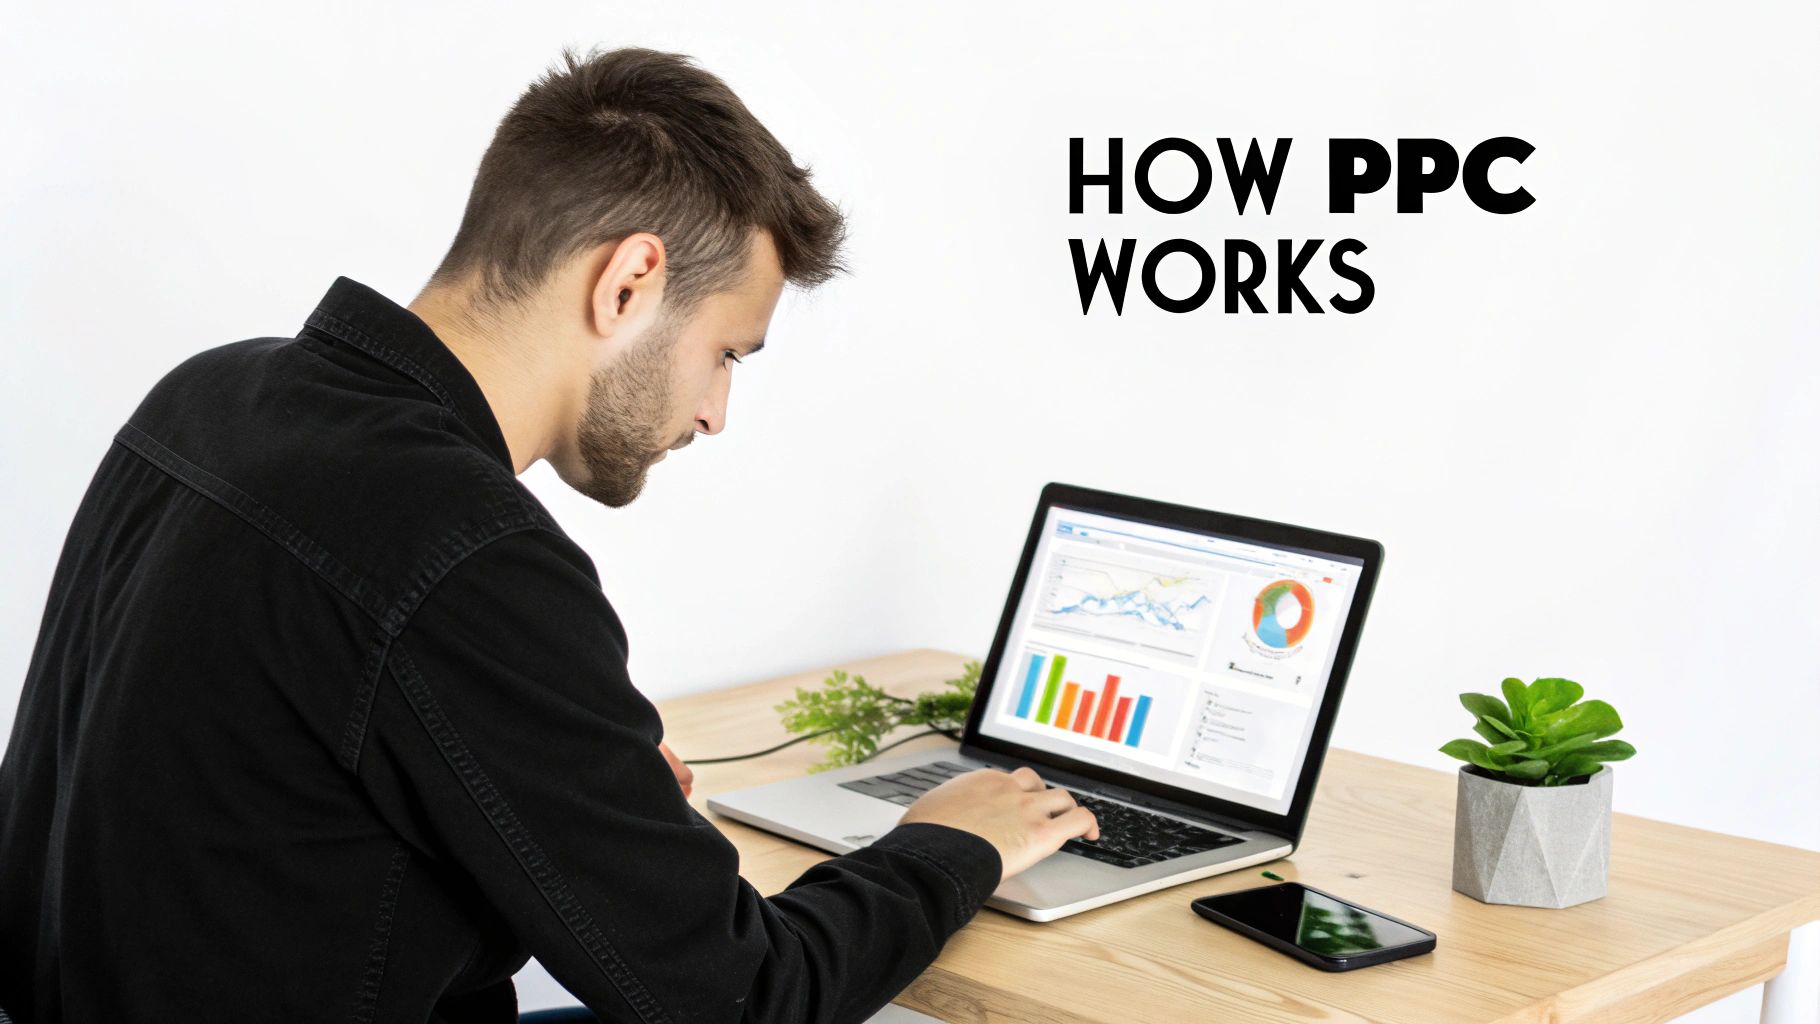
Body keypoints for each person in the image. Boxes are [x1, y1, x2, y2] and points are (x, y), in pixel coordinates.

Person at [0, 46, 1099, 1024]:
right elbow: (743, 995)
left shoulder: (210, 395)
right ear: (628, 284)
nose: (716, 411)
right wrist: (950, 841)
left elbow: (258, 840)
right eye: (726, 353)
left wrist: (553, 792)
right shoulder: (463, 548)